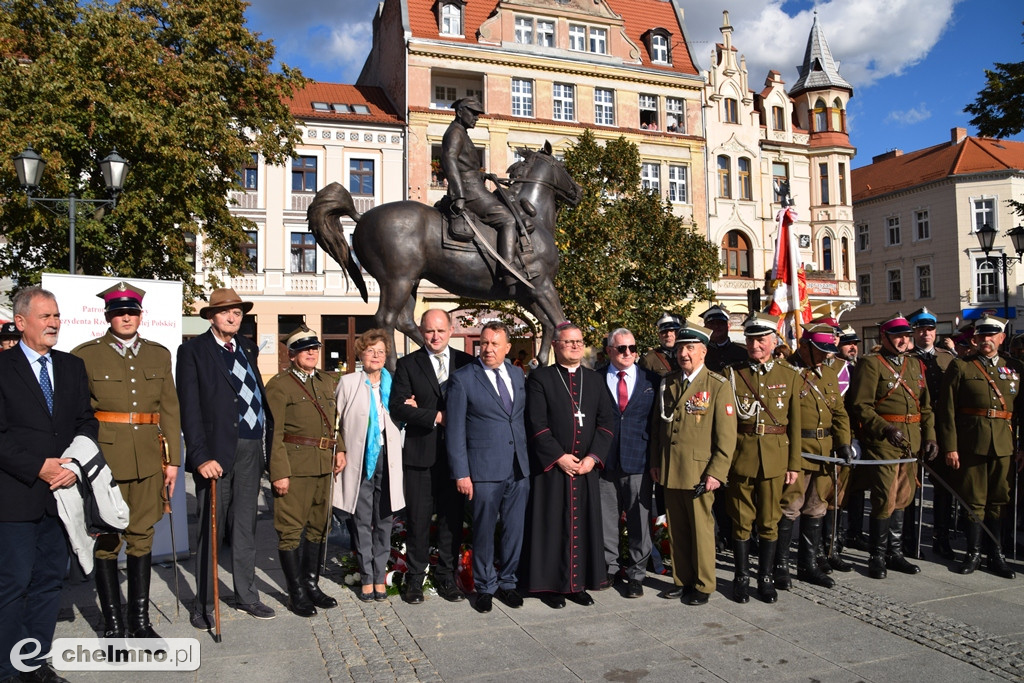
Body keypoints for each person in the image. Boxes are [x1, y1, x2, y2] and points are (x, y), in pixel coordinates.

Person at [71, 282, 182, 639]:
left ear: (140, 315)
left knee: (142, 536)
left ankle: (139, 621)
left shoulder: (158, 354)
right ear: (108, 316)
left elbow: (169, 409)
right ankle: (113, 623)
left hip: (149, 458)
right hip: (106, 461)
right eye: (119, 312)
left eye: (131, 312)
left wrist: (173, 461)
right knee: (107, 538)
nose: (126, 318)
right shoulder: (85, 354)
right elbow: (78, 414)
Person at [0, 287, 96, 683]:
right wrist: (37, 467)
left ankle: (33, 663)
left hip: (62, 497)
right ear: (21, 322)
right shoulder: (3, 368)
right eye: (45, 316)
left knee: (47, 583)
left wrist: (74, 462)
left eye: (57, 315)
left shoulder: (71, 367)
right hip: (16, 496)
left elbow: (86, 422)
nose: (54, 323)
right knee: (13, 585)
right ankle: (6, 670)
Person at [177, 287, 276, 628]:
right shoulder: (193, 351)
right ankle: (203, 602)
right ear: (211, 316)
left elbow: (255, 397)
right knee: (212, 530)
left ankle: (246, 595)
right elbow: (189, 409)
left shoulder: (247, 347)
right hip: (217, 454)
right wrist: (200, 455)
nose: (234, 317)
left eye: (238, 312)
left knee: (246, 527)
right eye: (226, 312)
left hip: (251, 449)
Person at [523, 322, 615, 608]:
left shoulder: (595, 379)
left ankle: (578, 585)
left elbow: (607, 422)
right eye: (568, 342)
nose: (575, 346)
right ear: (555, 346)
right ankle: (550, 586)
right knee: (551, 526)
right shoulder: (541, 379)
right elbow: (536, 424)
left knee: (583, 526)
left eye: (578, 341)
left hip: (585, 469)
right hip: (553, 470)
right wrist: (559, 457)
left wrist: (592, 458)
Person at [389, 309, 474, 604]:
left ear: (451, 330)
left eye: (440, 330)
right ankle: (414, 578)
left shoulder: (467, 363)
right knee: (418, 520)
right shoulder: (408, 364)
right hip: (419, 455)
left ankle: (446, 576)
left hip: (455, 458)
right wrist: (436, 416)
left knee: (452, 521)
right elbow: (398, 407)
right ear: (421, 332)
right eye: (429, 331)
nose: (435, 336)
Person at [445, 321, 530, 613]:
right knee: (483, 530)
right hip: (482, 471)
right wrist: (462, 472)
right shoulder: (463, 379)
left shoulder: (518, 375)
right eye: (485, 343)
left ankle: (508, 582)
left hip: (518, 467)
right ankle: (485, 586)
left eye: (495, 344)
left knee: (514, 530)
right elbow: (454, 431)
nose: (488, 349)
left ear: (507, 347)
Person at [652, 321, 737, 605]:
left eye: (690, 348)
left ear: (703, 352)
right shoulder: (669, 382)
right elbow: (658, 429)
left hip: (700, 471)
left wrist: (716, 472)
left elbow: (726, 437)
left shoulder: (717, 385)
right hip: (671, 467)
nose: (683, 354)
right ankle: (682, 579)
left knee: (701, 530)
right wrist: (656, 462)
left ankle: (703, 584)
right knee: (676, 529)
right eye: (680, 348)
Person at [848, 313, 938, 580]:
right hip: (884, 440)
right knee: (884, 497)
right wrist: (884, 428)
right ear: (883, 337)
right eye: (898, 335)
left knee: (903, 496)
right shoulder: (871, 364)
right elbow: (860, 405)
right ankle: (877, 555)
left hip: (911, 440)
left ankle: (895, 553)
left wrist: (930, 437)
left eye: (906, 336)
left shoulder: (915, 365)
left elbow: (927, 407)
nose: (903, 340)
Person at [722, 313, 800, 604]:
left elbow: (794, 423)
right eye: (751, 338)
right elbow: (726, 422)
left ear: (773, 341)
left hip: (775, 458)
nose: (755, 344)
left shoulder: (789, 374)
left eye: (761, 339)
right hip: (741, 456)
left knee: (770, 520)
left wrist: (794, 464)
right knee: (741, 520)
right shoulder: (733, 373)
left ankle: (764, 577)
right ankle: (741, 577)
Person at [266, 327, 344, 617]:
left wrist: (342, 449)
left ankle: (312, 584)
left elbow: (336, 420)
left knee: (318, 527)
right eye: (304, 349)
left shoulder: (326, 381)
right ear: (291, 354)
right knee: (289, 531)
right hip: (294, 467)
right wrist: (278, 472)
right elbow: (274, 433)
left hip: (324, 464)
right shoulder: (279, 385)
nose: (312, 353)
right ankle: (295, 591)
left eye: (315, 348)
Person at [938, 315, 1020, 579]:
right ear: (975, 339)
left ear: (1001, 338)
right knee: (973, 500)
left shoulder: (1014, 367)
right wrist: (950, 447)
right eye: (981, 336)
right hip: (971, 443)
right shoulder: (961, 366)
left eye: (991, 335)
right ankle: (973, 553)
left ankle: (995, 554)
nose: (986, 340)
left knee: (999, 500)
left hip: (1004, 444)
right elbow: (946, 411)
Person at [775, 324, 853, 591]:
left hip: (825, 452)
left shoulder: (829, 373)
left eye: (827, 352)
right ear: (804, 346)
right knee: (789, 507)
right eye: (819, 351)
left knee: (817, 507)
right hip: (797, 450)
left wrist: (843, 443)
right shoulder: (785, 372)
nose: (824, 356)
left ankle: (807, 565)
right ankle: (781, 565)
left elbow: (840, 413)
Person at [334, 330, 405, 602]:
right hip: (360, 458)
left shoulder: (395, 384)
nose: (376, 356)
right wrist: (339, 450)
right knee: (362, 520)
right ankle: (366, 576)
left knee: (385, 520)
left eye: (381, 352)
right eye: (370, 351)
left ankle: (379, 575)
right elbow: (335, 421)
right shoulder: (349, 382)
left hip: (389, 459)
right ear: (360, 354)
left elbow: (402, 418)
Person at [598, 328, 658, 598]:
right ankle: (610, 568)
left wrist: (656, 461)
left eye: (632, 348)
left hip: (639, 460)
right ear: (609, 350)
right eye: (621, 348)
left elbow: (658, 425)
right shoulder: (595, 378)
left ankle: (636, 574)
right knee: (606, 520)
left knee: (639, 520)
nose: (628, 353)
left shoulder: (652, 380)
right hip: (604, 460)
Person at [441, 96, 519, 289]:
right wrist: (458, 194)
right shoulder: (455, 133)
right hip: (469, 190)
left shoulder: (461, 133)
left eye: (478, 114)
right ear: (460, 112)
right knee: (508, 219)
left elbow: (463, 164)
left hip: (473, 184)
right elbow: (449, 160)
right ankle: (507, 269)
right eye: (473, 113)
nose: (476, 118)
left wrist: (483, 176)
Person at [907, 307, 956, 559]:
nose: (925, 334)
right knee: (909, 486)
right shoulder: (906, 358)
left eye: (930, 329)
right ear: (914, 331)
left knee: (943, 488)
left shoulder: (947, 358)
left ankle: (941, 537)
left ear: (936, 332)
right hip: (914, 426)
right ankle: (907, 539)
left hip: (942, 428)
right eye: (920, 329)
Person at [700, 304, 747, 374]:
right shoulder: (699, 352)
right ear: (705, 327)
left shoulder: (743, 351)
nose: (716, 326)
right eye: (712, 324)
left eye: (720, 323)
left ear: (728, 326)